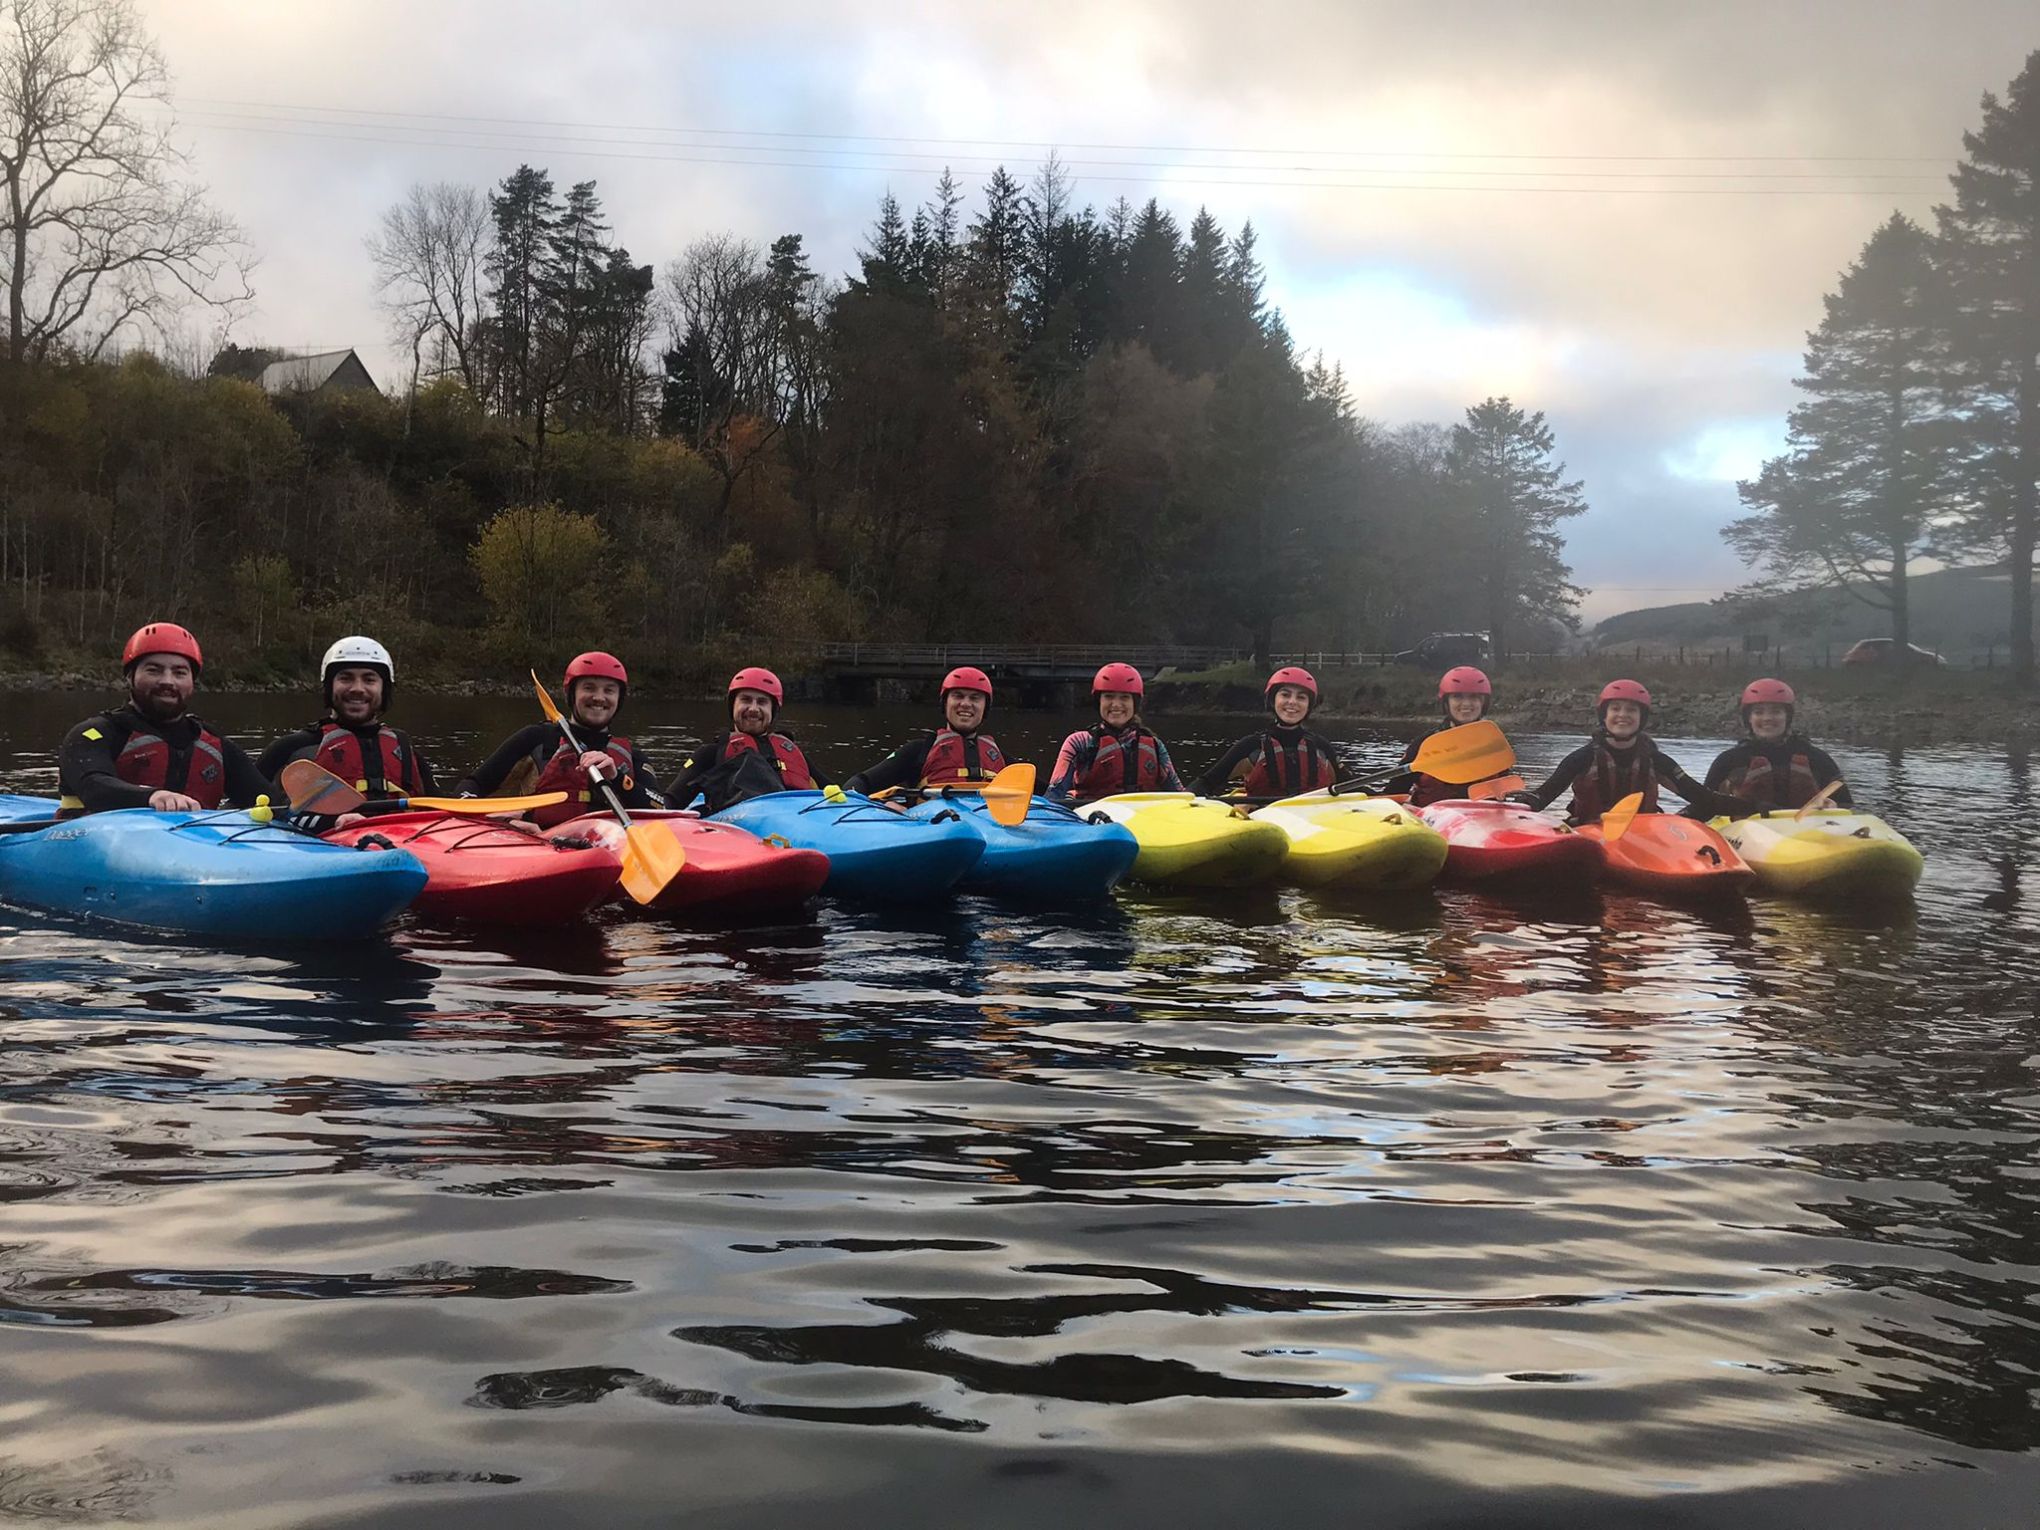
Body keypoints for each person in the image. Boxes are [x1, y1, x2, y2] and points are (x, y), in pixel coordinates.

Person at [58, 622, 276, 815]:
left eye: (180, 673)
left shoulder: (215, 745)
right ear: (129, 676)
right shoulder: (94, 734)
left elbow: (271, 802)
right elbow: (93, 786)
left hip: (196, 851)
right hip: (96, 843)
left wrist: (303, 812)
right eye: (154, 670)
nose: (168, 681)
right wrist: (151, 797)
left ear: (192, 682)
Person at [457, 651, 664, 829]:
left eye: (609, 690)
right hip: (537, 845)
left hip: (607, 850)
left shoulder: (631, 756)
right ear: (572, 694)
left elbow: (661, 808)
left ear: (619, 699)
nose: (599, 697)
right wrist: (487, 819)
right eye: (589, 688)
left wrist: (617, 778)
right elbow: (473, 784)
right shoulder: (536, 738)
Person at [1510, 679, 1746, 824]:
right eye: (1616, 708)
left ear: (1641, 719)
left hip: (1644, 834)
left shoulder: (1657, 761)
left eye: (1631, 710)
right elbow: (1544, 795)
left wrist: (1754, 807)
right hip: (1590, 830)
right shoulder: (1582, 758)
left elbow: (1703, 798)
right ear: (1604, 716)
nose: (1623, 715)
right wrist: (1521, 803)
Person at [258, 636, 435, 801]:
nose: (357, 688)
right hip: (318, 833)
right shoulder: (289, 749)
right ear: (329, 686)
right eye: (346, 678)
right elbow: (242, 812)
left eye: (369, 680)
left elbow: (441, 806)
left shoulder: (404, 749)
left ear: (383, 689)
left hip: (399, 833)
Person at [665, 666, 832, 809]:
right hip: (737, 831)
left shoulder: (792, 752)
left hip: (795, 825)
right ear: (733, 706)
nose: (753, 708)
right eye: (745, 700)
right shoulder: (710, 753)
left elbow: (836, 794)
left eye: (762, 702)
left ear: (773, 711)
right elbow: (670, 803)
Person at [844, 666, 1008, 795]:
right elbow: (863, 781)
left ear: (985, 708)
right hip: (934, 825)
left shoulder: (1000, 759)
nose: (965, 704)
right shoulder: (919, 751)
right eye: (958, 696)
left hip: (989, 827)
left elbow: (1033, 788)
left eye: (974, 698)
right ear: (945, 703)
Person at [1195, 665, 1344, 798]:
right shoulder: (1250, 746)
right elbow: (1206, 782)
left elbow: (1353, 785)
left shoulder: (1322, 747)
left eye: (1301, 697)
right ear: (1273, 700)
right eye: (1285, 695)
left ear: (1308, 705)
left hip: (1312, 820)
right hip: (1264, 818)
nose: (1292, 702)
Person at [1703, 678, 1852, 811]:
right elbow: (1702, 805)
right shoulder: (1728, 760)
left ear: (1787, 717)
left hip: (1806, 833)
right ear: (1748, 718)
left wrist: (1834, 806)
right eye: (1758, 712)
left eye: (1776, 712)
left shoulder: (1817, 758)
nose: (1767, 718)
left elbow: (1846, 804)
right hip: (1746, 833)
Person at [1046, 662, 1186, 802]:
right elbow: (1054, 794)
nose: (1116, 704)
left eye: (1124, 697)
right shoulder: (1079, 742)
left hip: (1139, 819)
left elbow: (1180, 795)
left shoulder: (1155, 745)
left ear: (1135, 703)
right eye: (1109, 696)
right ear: (1099, 701)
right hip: (1086, 818)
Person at [1385, 666, 1513, 806]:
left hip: (1481, 821)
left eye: (1474, 697)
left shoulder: (1494, 743)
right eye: (1457, 696)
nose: (1466, 704)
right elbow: (1394, 792)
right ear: (1446, 702)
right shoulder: (1424, 744)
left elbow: (1504, 792)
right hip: (1431, 821)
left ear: (1484, 703)